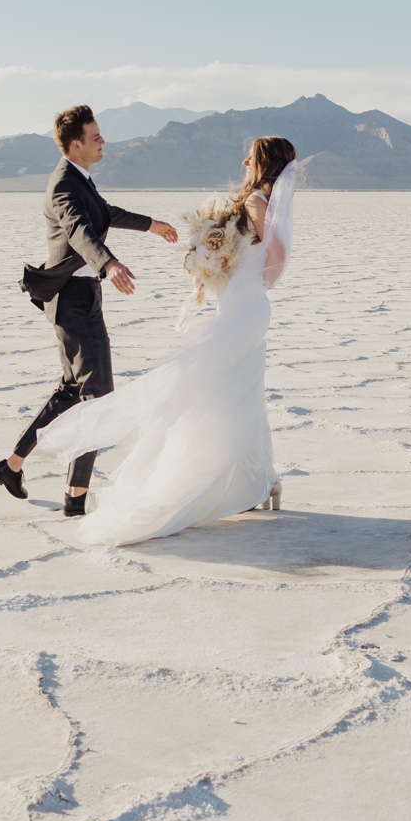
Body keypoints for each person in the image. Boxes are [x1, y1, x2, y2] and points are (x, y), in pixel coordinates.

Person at [30, 135, 300, 547]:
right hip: (241, 308)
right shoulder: (253, 203)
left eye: (251, 155)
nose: (244, 158)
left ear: (263, 162)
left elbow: (276, 258)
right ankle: (261, 481)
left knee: (214, 391)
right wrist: (218, 266)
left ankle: (248, 481)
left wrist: (235, 272)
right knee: (241, 392)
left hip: (245, 309)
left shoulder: (255, 203)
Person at [0, 104, 179, 515]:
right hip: (73, 303)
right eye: (95, 137)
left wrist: (152, 225)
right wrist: (108, 264)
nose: (103, 141)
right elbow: (78, 230)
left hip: (78, 300)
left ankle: (11, 466)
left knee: (74, 391)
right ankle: (75, 498)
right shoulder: (63, 185)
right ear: (76, 145)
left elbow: (104, 214)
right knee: (99, 399)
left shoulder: (80, 179)